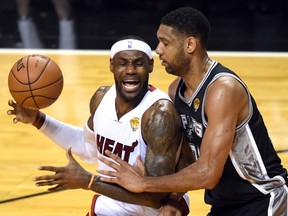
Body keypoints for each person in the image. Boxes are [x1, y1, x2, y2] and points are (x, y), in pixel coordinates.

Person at [96, 7, 288, 216]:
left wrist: (144, 183)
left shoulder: (223, 90)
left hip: (263, 199)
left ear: (190, 45)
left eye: (165, 42)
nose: (158, 49)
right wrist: (174, 199)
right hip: (225, 204)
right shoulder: (176, 90)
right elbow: (189, 157)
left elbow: (207, 173)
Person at [7, 35, 193, 215]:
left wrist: (89, 181)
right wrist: (38, 120)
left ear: (150, 66)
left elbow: (155, 198)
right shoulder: (101, 98)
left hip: (153, 211)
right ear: (111, 65)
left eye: (138, 63)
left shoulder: (159, 114)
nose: (130, 70)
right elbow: (88, 149)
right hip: (111, 204)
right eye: (122, 63)